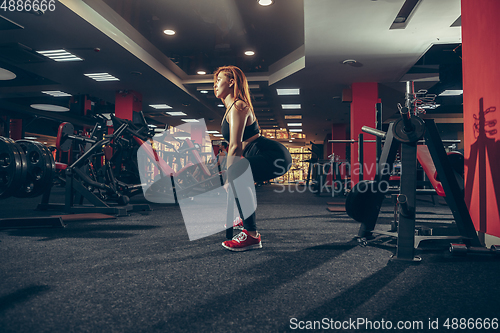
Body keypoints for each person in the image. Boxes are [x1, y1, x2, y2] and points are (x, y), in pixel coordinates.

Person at [213, 65, 292, 251]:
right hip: (255, 154)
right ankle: (245, 219)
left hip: (272, 155)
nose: (215, 85)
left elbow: (235, 145)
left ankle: (252, 235)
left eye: (218, 80)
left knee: (236, 173)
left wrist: (228, 176)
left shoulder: (239, 105)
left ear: (231, 81)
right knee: (237, 175)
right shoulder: (230, 108)